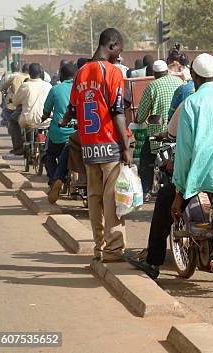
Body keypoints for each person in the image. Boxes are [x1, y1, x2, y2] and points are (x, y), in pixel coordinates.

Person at [129, 58, 213, 278]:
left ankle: (153, 263)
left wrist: (179, 193)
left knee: (164, 198)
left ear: (195, 77)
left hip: (204, 179)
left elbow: (185, 152)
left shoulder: (192, 103)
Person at [68, 28, 132, 262]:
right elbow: (118, 111)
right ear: (112, 45)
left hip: (89, 148)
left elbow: (73, 107)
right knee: (112, 199)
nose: (119, 57)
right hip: (110, 146)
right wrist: (125, 146)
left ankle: (99, 247)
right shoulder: (112, 72)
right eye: (119, 51)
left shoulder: (81, 72)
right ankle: (114, 249)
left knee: (94, 199)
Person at [135, 60, 184, 199]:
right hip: (179, 132)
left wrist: (138, 119)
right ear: (167, 71)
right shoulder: (179, 82)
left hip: (159, 133)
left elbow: (141, 115)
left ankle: (145, 190)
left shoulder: (152, 86)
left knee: (146, 158)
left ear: (154, 74)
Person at [43, 62, 77, 196]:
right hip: (78, 134)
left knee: (49, 156)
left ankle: (54, 180)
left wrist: (44, 117)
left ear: (61, 76)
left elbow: (46, 111)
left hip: (59, 134)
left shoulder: (55, 89)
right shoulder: (80, 88)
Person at [13, 63, 52, 149]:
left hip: (28, 120)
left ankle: (18, 147)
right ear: (41, 72)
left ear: (29, 73)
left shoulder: (25, 86)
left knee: (14, 122)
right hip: (45, 120)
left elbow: (15, 101)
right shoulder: (48, 86)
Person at [0, 63, 30, 155]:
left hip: (20, 106)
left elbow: (2, 88)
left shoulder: (16, 78)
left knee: (13, 121)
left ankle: (18, 147)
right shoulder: (45, 84)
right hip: (41, 113)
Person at [0, 62, 23, 127]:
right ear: (19, 68)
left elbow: (1, 88)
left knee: (5, 110)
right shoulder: (25, 76)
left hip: (12, 101)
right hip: (24, 100)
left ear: (11, 68)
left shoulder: (9, 76)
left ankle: (9, 123)